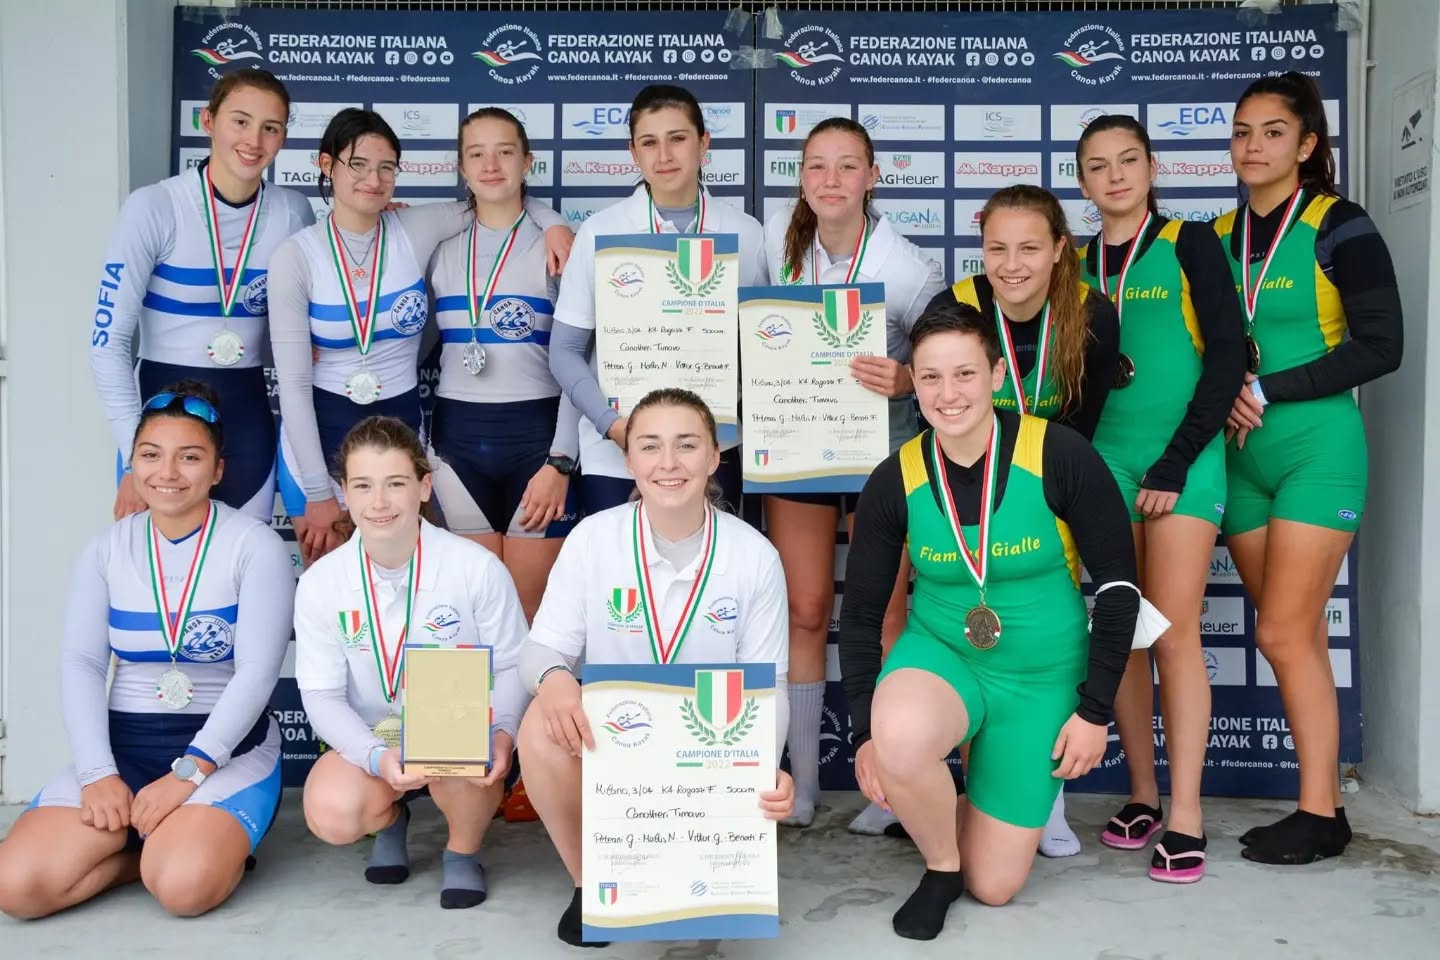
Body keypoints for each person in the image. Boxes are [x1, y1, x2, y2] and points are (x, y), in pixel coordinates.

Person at [838, 303, 1138, 940]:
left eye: (966, 374)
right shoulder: (895, 478)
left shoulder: (1060, 453)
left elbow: (1118, 590)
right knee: (898, 734)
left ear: (996, 374)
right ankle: (939, 866)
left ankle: (964, 812)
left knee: (995, 886)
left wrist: (1094, 711)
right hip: (945, 655)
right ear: (912, 385)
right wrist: (867, 734)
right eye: (931, 378)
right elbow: (862, 614)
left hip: (1039, 677)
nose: (949, 395)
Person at [0, 383, 294, 919]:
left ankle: (174, 846)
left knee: (183, 889)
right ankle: (143, 849)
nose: (168, 472)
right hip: (126, 754)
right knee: (16, 888)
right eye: (151, 455)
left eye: (190, 457)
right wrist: (97, 773)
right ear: (131, 463)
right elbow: (83, 664)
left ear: (217, 471)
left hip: (225, 754)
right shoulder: (105, 549)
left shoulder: (255, 546)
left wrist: (191, 772)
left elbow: (256, 674)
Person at [515, 388, 795, 948]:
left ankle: (693, 873)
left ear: (715, 458)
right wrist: (555, 680)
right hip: (617, 741)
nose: (668, 463)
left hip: (708, 750)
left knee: (708, 893)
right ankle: (592, 882)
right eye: (651, 446)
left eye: (686, 445)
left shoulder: (753, 553)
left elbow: (770, 685)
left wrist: (762, 766)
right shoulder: (592, 540)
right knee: (539, 730)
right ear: (629, 461)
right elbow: (540, 650)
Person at [1216, 72, 1401, 865]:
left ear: (1308, 144)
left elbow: (1380, 346)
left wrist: (1268, 386)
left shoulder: (1340, 225)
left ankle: (1318, 809)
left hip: (1316, 449)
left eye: (1272, 132)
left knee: (1283, 629)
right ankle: (1322, 807)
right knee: (1296, 640)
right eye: (1242, 132)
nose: (1253, 146)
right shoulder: (1216, 236)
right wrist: (1229, 390)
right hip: (1241, 457)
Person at [268, 107, 573, 564]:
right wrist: (316, 490)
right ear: (326, 166)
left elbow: (494, 198)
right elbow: (291, 385)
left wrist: (553, 222)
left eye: (385, 167)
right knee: (335, 597)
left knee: (412, 590)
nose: (373, 179)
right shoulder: (296, 255)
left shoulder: (416, 227)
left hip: (405, 434)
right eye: (358, 164)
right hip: (317, 443)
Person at [1074, 115, 1247, 882]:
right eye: (1097, 166)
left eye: (1127, 161)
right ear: (1081, 183)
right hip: (1103, 461)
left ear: (1151, 167)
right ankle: (1143, 794)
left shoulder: (1190, 244)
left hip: (1184, 459)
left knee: (1172, 633)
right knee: (1128, 632)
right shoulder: (1074, 264)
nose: (1114, 176)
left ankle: (1187, 814)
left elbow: (1228, 360)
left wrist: (1176, 462)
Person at [924, 183, 1121, 855]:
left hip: (1050, 480)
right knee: (973, 638)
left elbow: (1078, 432)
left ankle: (1048, 794)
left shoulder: (1092, 314)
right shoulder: (957, 305)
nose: (1011, 264)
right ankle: (978, 794)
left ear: (1061, 249)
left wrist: (1045, 508)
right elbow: (936, 402)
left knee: (1050, 633)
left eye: (1030, 247)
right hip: (965, 490)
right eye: (996, 247)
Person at [760, 117, 945, 832]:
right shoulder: (777, 245)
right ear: (801, 177)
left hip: (883, 459)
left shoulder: (907, 265)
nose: (830, 181)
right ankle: (802, 785)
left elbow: (943, 368)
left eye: (847, 167)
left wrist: (908, 380)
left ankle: (889, 790)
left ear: (873, 177)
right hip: (795, 452)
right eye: (816, 167)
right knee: (804, 611)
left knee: (886, 616)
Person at [293, 416, 531, 909]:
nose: (379, 503)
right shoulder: (322, 582)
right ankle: (389, 817)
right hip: (377, 739)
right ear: (345, 492)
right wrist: (375, 756)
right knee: (332, 813)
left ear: (424, 486)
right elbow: (320, 694)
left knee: (474, 758)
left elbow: (512, 666)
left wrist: (504, 734)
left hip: (459, 735)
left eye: (395, 484)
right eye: (363, 486)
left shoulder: (474, 567)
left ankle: (461, 852)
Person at [90, 70, 315, 522]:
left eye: (270, 128)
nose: (254, 140)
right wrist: (137, 457)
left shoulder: (293, 211)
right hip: (160, 421)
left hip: (247, 419)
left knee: (240, 572)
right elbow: (107, 344)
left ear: (283, 138)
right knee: (159, 584)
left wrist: (382, 222)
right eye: (240, 121)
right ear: (208, 120)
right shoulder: (154, 208)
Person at [549, 85, 768, 514]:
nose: (664, 155)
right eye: (649, 142)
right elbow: (565, 350)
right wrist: (614, 426)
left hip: (714, 449)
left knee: (710, 574)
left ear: (704, 143)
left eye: (678, 138)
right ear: (633, 152)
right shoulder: (600, 232)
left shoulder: (746, 233)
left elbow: (761, 349)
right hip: (615, 456)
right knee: (623, 576)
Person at [426, 107, 581, 621]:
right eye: (476, 154)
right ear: (461, 167)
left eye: (505, 152)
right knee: (469, 615)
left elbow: (582, 360)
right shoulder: (436, 246)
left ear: (527, 162)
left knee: (530, 613)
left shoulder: (560, 249)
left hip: (536, 444)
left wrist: (561, 461)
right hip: (455, 447)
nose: (491, 165)